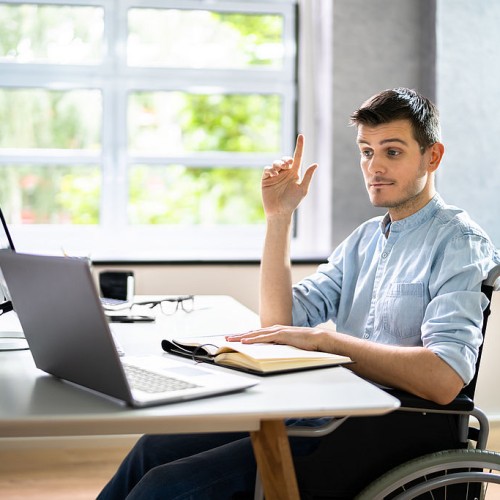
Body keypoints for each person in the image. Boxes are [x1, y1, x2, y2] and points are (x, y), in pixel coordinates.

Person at [98, 88, 499, 499]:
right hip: (328, 414)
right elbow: (278, 323)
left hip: (386, 432)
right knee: (152, 449)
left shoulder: (459, 242)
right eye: (366, 151)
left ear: (432, 157)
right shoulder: (363, 241)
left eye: (392, 152)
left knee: (167, 487)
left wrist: (326, 342)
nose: (374, 166)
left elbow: (444, 378)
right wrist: (279, 217)